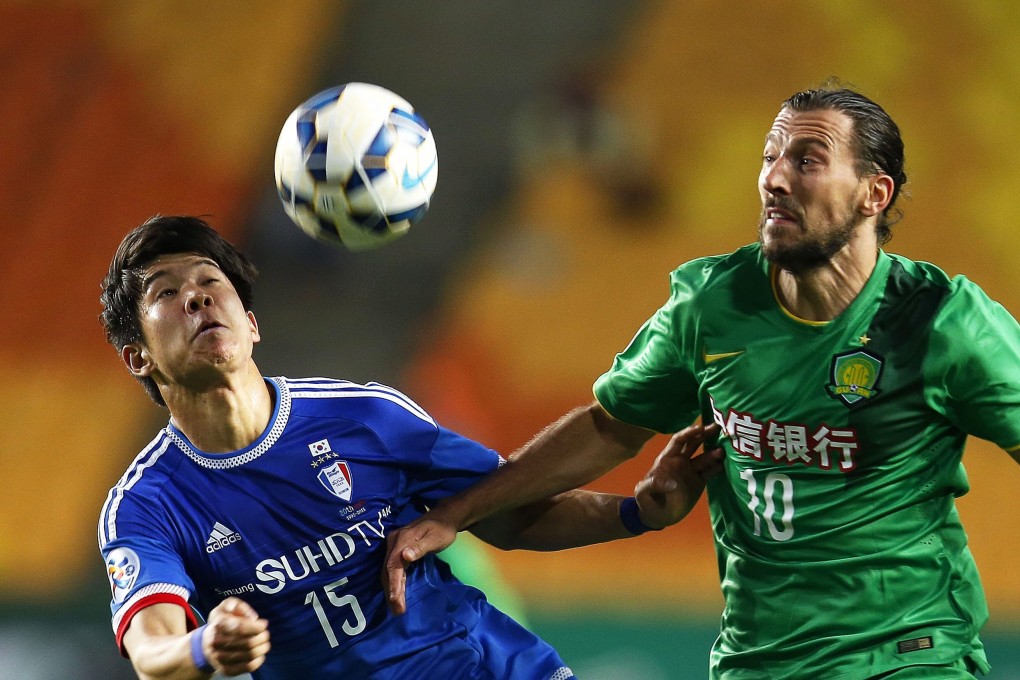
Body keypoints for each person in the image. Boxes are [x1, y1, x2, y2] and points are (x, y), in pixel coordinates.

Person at [385, 83, 1020, 679]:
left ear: (872, 195)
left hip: (908, 652)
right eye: (770, 157)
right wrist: (460, 512)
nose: (774, 179)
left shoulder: (942, 322)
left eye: (807, 161)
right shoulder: (711, 307)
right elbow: (611, 428)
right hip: (758, 658)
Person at [96, 215, 723, 680]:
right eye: (166, 294)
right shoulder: (147, 505)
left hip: (488, 667)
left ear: (252, 324)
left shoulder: (365, 416)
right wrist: (204, 648)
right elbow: (153, 651)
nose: (199, 296)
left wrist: (637, 513)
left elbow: (509, 513)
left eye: (211, 281)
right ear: (138, 358)